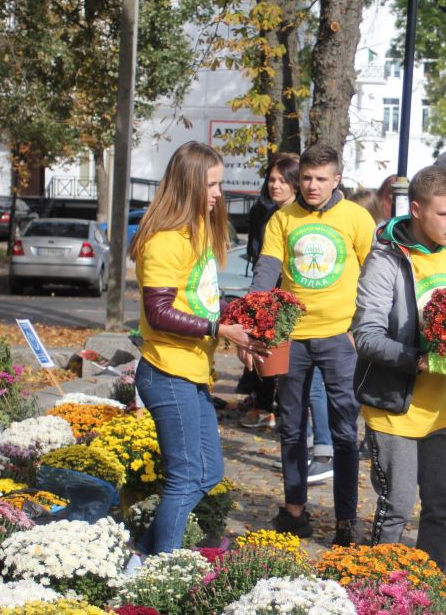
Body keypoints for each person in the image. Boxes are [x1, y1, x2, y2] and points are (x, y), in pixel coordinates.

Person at [246, 143, 376, 545]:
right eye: (306, 178)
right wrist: (254, 321)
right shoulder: (282, 218)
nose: (312, 185)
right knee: (290, 426)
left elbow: (375, 274)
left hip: (339, 337)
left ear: (337, 180)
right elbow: (267, 270)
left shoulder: (356, 217)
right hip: (292, 337)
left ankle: (345, 521)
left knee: (343, 431)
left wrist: (362, 327)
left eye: (321, 179)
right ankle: (294, 511)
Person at [352, 166, 446, 570]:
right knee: (397, 507)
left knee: (441, 505)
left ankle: (429, 587)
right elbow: (366, 336)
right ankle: (377, 589)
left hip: (443, 410)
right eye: (444, 214)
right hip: (394, 408)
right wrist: (423, 360)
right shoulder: (386, 259)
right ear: (417, 209)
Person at [128, 141, 252, 555]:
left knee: (208, 472)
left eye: (219, 184)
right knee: (184, 478)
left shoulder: (196, 231)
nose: (218, 193)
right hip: (167, 373)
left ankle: (144, 557)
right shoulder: (165, 240)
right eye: (211, 185)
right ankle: (158, 568)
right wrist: (220, 329)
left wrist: (242, 322)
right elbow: (159, 312)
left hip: (192, 371)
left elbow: (202, 300)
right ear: (188, 185)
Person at [240, 153, 300, 430]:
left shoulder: (300, 216)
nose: (275, 185)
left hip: (290, 294)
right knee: (264, 350)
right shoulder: (265, 211)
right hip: (267, 290)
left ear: (295, 183)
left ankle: (288, 413)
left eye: (282, 180)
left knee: (287, 359)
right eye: (272, 180)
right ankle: (264, 406)